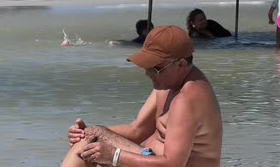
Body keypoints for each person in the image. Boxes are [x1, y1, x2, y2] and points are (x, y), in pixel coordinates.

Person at [61, 26, 223, 167]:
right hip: (150, 158)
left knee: (90, 146)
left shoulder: (186, 100)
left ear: (181, 65)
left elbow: (173, 164)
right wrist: (86, 132)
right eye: (146, 66)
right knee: (88, 140)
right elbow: (137, 130)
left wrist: (114, 156)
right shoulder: (168, 84)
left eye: (155, 68)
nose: (148, 73)